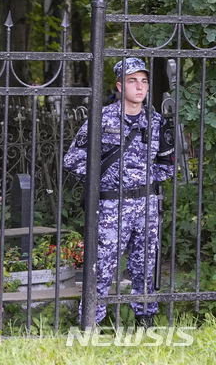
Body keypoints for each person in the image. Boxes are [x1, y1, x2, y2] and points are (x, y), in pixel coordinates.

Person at [64, 57, 174, 327]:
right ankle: (91, 322)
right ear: (119, 85)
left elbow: (167, 164)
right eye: (132, 81)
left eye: (144, 81)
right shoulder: (101, 119)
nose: (140, 87)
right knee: (101, 267)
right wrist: (109, 181)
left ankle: (145, 320)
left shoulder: (157, 121)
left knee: (145, 267)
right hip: (112, 206)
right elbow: (73, 160)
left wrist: (144, 182)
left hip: (146, 206)